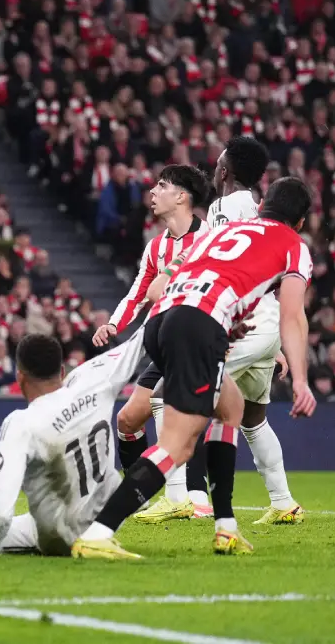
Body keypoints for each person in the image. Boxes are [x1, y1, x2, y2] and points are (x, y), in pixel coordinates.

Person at [73, 177, 318, 560]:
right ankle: (99, 532)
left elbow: (161, 284)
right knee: (178, 445)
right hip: (196, 327)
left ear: (264, 202)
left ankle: (226, 528)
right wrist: (301, 380)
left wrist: (218, 318)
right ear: (300, 221)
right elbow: (292, 314)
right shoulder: (293, 246)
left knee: (231, 406)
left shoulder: (223, 230)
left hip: (164, 319)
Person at [150, 137, 302, 525]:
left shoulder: (234, 207)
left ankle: (184, 496)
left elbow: (238, 263)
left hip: (246, 323)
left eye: (218, 162)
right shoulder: (243, 207)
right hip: (261, 324)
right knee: (252, 419)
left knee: (168, 393)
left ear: (225, 171)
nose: (214, 169)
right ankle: (284, 503)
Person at [92, 164, 212, 522]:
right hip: (165, 341)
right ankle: (142, 494)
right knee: (128, 420)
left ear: (182, 196)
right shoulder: (156, 246)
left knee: (182, 413)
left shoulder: (210, 238)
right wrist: (114, 323)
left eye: (162, 185)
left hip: (200, 339)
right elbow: (139, 293)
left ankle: (193, 496)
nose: (153, 191)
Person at [0, 331, 147, 558]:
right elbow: (139, 342)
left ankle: (73, 543)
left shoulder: (21, 423)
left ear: (20, 377)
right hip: (105, 519)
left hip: (60, 536)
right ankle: (97, 535)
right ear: (61, 371)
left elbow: (0, 511)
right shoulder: (94, 380)